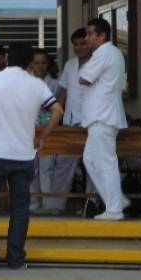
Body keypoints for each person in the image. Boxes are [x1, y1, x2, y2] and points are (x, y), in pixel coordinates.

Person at [0, 41, 63, 270]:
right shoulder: (37, 85)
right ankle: (16, 259)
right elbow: (58, 110)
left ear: (8, 57)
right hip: (25, 156)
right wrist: (43, 136)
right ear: (29, 62)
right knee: (20, 206)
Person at [34, 29, 89, 216]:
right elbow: (63, 94)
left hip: (90, 121)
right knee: (64, 162)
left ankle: (93, 204)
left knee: (93, 164)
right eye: (76, 44)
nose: (79, 47)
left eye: (83, 43)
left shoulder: (97, 63)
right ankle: (54, 204)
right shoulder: (70, 65)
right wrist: (57, 120)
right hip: (70, 123)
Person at [79, 17, 130, 221]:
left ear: (102, 35)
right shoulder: (113, 53)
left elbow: (83, 78)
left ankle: (115, 208)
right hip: (101, 114)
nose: (86, 38)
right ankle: (117, 199)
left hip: (103, 115)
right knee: (90, 158)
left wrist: (84, 69)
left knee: (106, 161)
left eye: (90, 33)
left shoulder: (103, 53)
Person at [29, 48, 62, 211]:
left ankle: (49, 203)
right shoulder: (26, 81)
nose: (40, 66)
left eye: (43, 63)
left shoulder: (55, 83)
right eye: (36, 63)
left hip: (48, 128)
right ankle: (34, 202)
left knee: (47, 166)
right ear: (31, 64)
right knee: (31, 167)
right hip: (29, 128)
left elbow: (57, 106)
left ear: (48, 64)